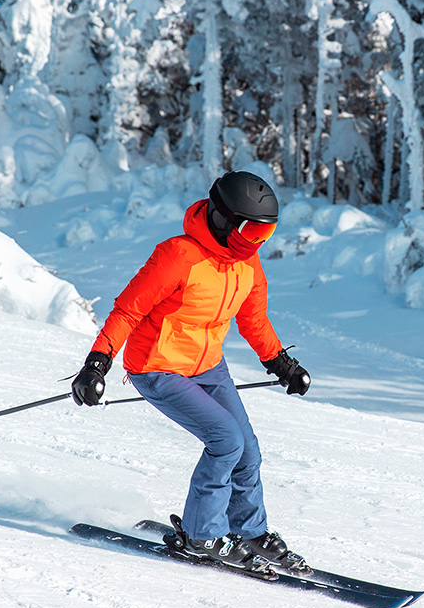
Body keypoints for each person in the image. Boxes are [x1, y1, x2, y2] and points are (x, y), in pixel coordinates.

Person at [70, 170, 313, 572]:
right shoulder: (177, 256)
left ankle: (249, 530)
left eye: (264, 235)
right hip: (158, 366)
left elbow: (253, 321)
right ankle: (202, 533)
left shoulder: (246, 265)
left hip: (208, 367)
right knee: (225, 439)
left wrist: (281, 364)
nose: (256, 243)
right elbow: (129, 309)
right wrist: (97, 363)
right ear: (223, 218)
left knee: (247, 449)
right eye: (251, 232)